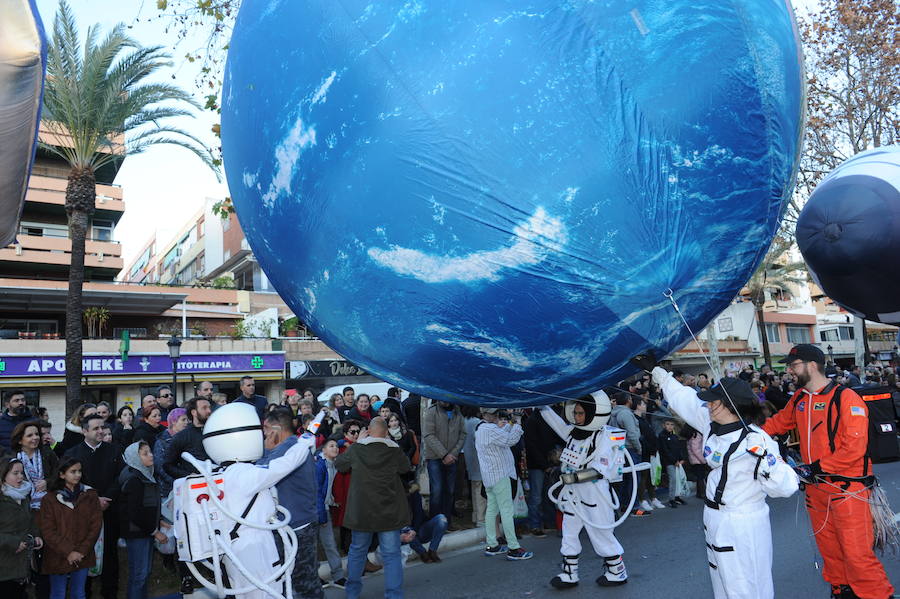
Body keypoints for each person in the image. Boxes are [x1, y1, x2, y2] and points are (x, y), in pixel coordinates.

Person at [636, 354, 799, 599]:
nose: (708, 405)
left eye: (715, 402)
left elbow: (786, 487)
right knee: (722, 584)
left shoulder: (757, 440)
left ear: (733, 405)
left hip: (743, 523)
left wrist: (766, 462)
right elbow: (684, 399)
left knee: (746, 588)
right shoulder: (710, 423)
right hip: (714, 518)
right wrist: (657, 372)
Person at [762, 344, 894, 599]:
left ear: (812, 365)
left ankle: (877, 595)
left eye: (793, 365)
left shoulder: (846, 398)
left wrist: (817, 468)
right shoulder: (799, 398)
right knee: (830, 552)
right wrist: (745, 436)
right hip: (816, 490)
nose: (789, 371)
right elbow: (776, 424)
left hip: (848, 489)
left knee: (857, 555)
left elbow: (854, 448)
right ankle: (842, 592)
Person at [171, 402, 316, 599]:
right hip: (256, 549)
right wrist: (305, 441)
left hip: (235, 550)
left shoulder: (220, 474)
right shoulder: (243, 475)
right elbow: (284, 465)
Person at [540, 393, 633, 589]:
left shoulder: (603, 436)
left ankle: (617, 571)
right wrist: (541, 405)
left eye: (581, 413)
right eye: (575, 413)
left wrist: (573, 477)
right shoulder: (575, 433)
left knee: (601, 533)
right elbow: (556, 423)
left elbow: (602, 468)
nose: (577, 417)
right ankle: (569, 572)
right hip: (572, 493)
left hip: (594, 493)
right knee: (569, 532)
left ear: (593, 413)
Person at [335, 416, 411, 599]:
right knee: (392, 555)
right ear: (386, 432)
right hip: (389, 512)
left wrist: (357, 443)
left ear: (368, 430)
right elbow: (405, 467)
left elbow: (340, 464)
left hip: (362, 511)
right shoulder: (394, 450)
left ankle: (352, 593)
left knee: (357, 551)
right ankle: (394, 595)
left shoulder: (358, 449)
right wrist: (391, 443)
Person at [258, 408, 321, 599]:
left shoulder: (285, 451)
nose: (265, 435)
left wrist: (264, 452)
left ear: (274, 428)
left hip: (296, 527)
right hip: (299, 523)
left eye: (266, 430)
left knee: (303, 584)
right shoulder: (297, 446)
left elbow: (259, 473)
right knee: (302, 582)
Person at [64, 415, 124, 599]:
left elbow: (120, 477)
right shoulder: (73, 454)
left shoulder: (114, 450)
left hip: (110, 510)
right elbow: (71, 482)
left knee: (110, 556)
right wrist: (94, 499)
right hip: (84, 514)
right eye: (96, 428)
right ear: (84, 431)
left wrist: (107, 499)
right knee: (85, 554)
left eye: (102, 427)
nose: (100, 431)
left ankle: (110, 593)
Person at [38, 457, 102, 599]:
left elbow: (95, 525)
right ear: (62, 474)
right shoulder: (49, 499)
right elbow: (48, 530)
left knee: (79, 594)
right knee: (58, 594)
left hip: (82, 554)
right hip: (58, 555)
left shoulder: (90, 495)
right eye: (73, 471)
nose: (78, 475)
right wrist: (68, 552)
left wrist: (80, 551)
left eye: (79, 471)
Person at [475, 408, 532, 561]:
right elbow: (510, 440)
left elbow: (503, 434)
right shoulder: (490, 428)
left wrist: (511, 423)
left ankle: (492, 544)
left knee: (492, 510)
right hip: (500, 475)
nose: (496, 416)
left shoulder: (481, 428)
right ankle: (513, 548)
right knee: (506, 511)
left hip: (490, 477)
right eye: (493, 413)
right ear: (485, 414)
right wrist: (518, 423)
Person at [118, 442, 165, 599]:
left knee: (143, 573)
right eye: (145, 453)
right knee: (139, 574)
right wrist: (155, 531)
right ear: (135, 458)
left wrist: (160, 521)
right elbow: (135, 513)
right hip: (137, 532)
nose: (151, 455)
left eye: (150, 451)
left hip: (144, 531)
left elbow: (149, 505)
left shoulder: (144, 474)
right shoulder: (134, 479)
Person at [0, 457, 43, 599]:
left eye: (22, 472)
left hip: (21, 564)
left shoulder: (24, 496)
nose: (20, 477)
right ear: (3, 474)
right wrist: (13, 542)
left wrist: (36, 534)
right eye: (15, 473)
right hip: (4, 565)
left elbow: (29, 520)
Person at [422, 400, 466, 526]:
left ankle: (447, 522)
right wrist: (444, 454)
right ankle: (435, 523)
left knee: (450, 491)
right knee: (437, 490)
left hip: (452, 458)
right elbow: (429, 435)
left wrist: (453, 453)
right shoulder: (431, 412)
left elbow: (463, 434)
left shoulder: (458, 413)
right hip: (435, 458)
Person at [608, 393, 648, 517]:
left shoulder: (613, 413)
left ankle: (624, 505)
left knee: (625, 479)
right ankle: (634, 507)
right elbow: (632, 434)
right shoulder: (625, 414)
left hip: (619, 450)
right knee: (634, 479)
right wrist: (639, 448)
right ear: (628, 400)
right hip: (630, 449)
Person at [314, 439, 346, 589]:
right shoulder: (319, 465)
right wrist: (321, 515)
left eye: (336, 446)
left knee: (330, 544)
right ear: (324, 450)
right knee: (315, 545)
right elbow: (317, 492)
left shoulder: (333, 464)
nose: (336, 448)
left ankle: (338, 576)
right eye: (331, 446)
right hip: (317, 511)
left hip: (325, 508)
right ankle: (315, 577)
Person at [523, 408, 557, 535]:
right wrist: (544, 465)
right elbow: (531, 445)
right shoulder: (533, 420)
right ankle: (535, 525)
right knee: (537, 497)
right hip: (538, 465)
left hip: (546, 464)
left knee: (547, 495)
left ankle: (547, 522)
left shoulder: (547, 418)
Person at [11, 420, 58, 510]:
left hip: (49, 503)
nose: (35, 437)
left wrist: (47, 483)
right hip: (21, 505)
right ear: (20, 440)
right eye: (30, 435)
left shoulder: (48, 453)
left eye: (37, 434)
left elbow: (59, 474)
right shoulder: (13, 458)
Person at [163, 397, 211, 482]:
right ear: (194, 412)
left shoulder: (215, 431)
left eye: (209, 407)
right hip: (196, 487)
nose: (209, 411)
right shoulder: (182, 436)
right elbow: (168, 465)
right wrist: (188, 475)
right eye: (204, 408)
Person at [153, 408, 187, 499]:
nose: (186, 423)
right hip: (168, 490)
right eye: (183, 420)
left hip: (185, 486)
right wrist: (177, 481)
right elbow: (160, 467)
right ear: (174, 421)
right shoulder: (161, 442)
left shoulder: (185, 438)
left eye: (187, 420)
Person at [461, 406, 486, 529]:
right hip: (479, 460)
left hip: (468, 459)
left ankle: (476, 516)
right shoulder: (478, 423)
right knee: (481, 491)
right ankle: (481, 518)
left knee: (475, 488)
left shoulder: (463, 422)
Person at [657, 419, 688, 508]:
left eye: (672, 424)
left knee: (678, 479)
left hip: (677, 462)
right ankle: (671, 499)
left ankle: (677, 497)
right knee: (673, 480)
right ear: (664, 425)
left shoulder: (674, 436)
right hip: (669, 462)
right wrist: (674, 461)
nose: (670, 426)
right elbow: (665, 451)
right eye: (668, 424)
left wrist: (681, 458)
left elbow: (678, 448)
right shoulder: (662, 436)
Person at [0, 390, 33, 454]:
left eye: (23, 400)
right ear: (7, 405)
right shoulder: (1, 423)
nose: (21, 403)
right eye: (16, 400)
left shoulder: (34, 421)